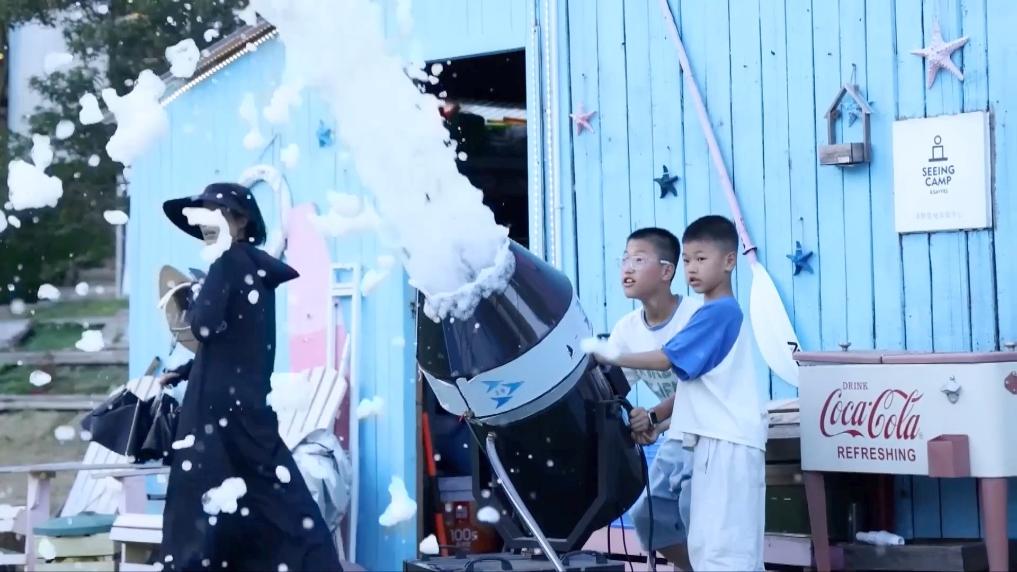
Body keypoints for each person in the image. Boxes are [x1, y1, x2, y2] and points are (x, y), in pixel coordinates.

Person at [157, 182, 343, 571]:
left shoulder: (226, 264)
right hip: (248, 404)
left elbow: (204, 327)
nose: (206, 223)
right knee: (274, 500)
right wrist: (186, 371)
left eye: (217, 214)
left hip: (214, 414)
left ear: (240, 221)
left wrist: (196, 297)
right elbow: (241, 341)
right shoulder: (254, 268)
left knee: (200, 506)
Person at [594, 215, 767, 571]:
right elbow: (694, 389)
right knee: (708, 545)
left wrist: (606, 355)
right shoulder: (711, 312)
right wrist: (655, 422)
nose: (692, 268)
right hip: (706, 439)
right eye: (688, 260)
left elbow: (664, 360)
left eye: (701, 259)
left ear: (729, 261)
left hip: (726, 442)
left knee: (724, 551)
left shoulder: (718, 314)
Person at [606, 228, 701, 570]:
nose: (627, 268)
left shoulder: (696, 317)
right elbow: (613, 391)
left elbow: (696, 387)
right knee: (647, 515)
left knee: (694, 512)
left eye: (638, 259)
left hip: (714, 433)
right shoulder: (626, 329)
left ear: (666, 271)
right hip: (678, 433)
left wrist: (654, 418)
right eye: (624, 259)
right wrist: (635, 422)